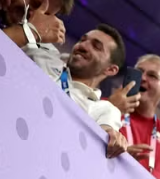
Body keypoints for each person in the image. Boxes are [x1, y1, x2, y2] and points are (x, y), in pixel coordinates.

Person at [23, 23, 128, 157]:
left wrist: (113, 137)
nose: (83, 46)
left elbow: (105, 136)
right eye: (83, 40)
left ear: (110, 69)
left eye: (96, 47)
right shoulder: (42, 55)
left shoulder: (104, 109)